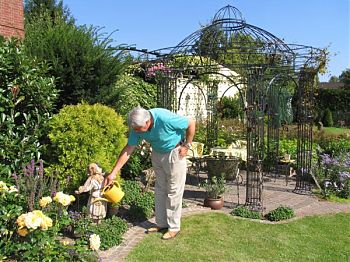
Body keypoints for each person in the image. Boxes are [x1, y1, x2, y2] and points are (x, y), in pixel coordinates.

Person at [105, 106, 195, 240]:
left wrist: (187, 145)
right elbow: (129, 148)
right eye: (134, 129)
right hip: (157, 154)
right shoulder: (137, 125)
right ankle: (162, 223)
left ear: (147, 122)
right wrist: (112, 174)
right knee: (159, 189)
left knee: (174, 191)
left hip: (175, 153)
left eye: (138, 129)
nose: (136, 132)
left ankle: (174, 227)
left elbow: (191, 122)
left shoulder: (164, 118)